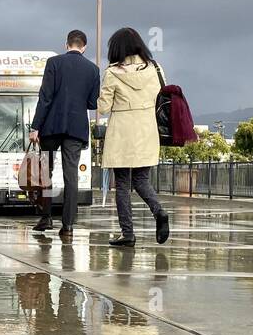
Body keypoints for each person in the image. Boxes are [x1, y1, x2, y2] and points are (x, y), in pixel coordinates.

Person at [97, 26, 170, 248]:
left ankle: (127, 233)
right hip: (147, 131)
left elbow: (103, 107)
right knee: (141, 180)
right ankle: (159, 211)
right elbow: (163, 96)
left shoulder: (112, 73)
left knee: (122, 184)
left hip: (122, 133)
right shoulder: (155, 68)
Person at [28, 29, 100, 240]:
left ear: (66, 44)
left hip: (51, 127)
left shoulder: (54, 63)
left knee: (46, 174)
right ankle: (68, 224)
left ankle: (46, 216)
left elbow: (45, 97)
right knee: (71, 176)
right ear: (84, 46)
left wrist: (35, 127)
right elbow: (92, 102)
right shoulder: (93, 70)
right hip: (76, 129)